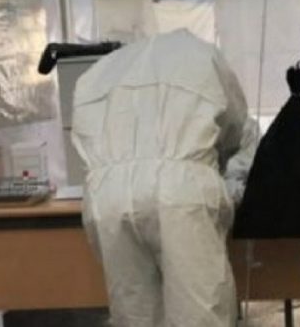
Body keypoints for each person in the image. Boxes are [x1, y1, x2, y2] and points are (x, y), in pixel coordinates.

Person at [71, 28, 258, 327]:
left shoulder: (101, 70)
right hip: (180, 192)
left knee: (134, 313)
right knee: (199, 315)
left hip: (107, 197)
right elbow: (235, 126)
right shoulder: (203, 55)